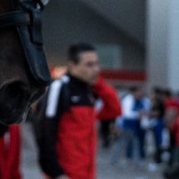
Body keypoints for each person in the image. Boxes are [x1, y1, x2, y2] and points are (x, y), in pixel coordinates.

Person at [35, 42, 121, 179]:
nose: (96, 69)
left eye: (97, 64)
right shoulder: (60, 87)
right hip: (65, 174)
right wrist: (56, 172)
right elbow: (45, 131)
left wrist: (98, 84)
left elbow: (115, 109)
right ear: (72, 66)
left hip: (87, 173)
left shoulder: (89, 90)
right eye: (89, 65)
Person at [113, 85, 149, 167]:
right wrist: (138, 114)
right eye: (139, 91)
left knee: (134, 144)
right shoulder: (128, 100)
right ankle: (115, 159)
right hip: (127, 126)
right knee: (122, 143)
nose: (141, 93)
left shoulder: (138, 100)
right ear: (134, 92)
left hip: (134, 126)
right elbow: (126, 114)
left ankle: (135, 161)